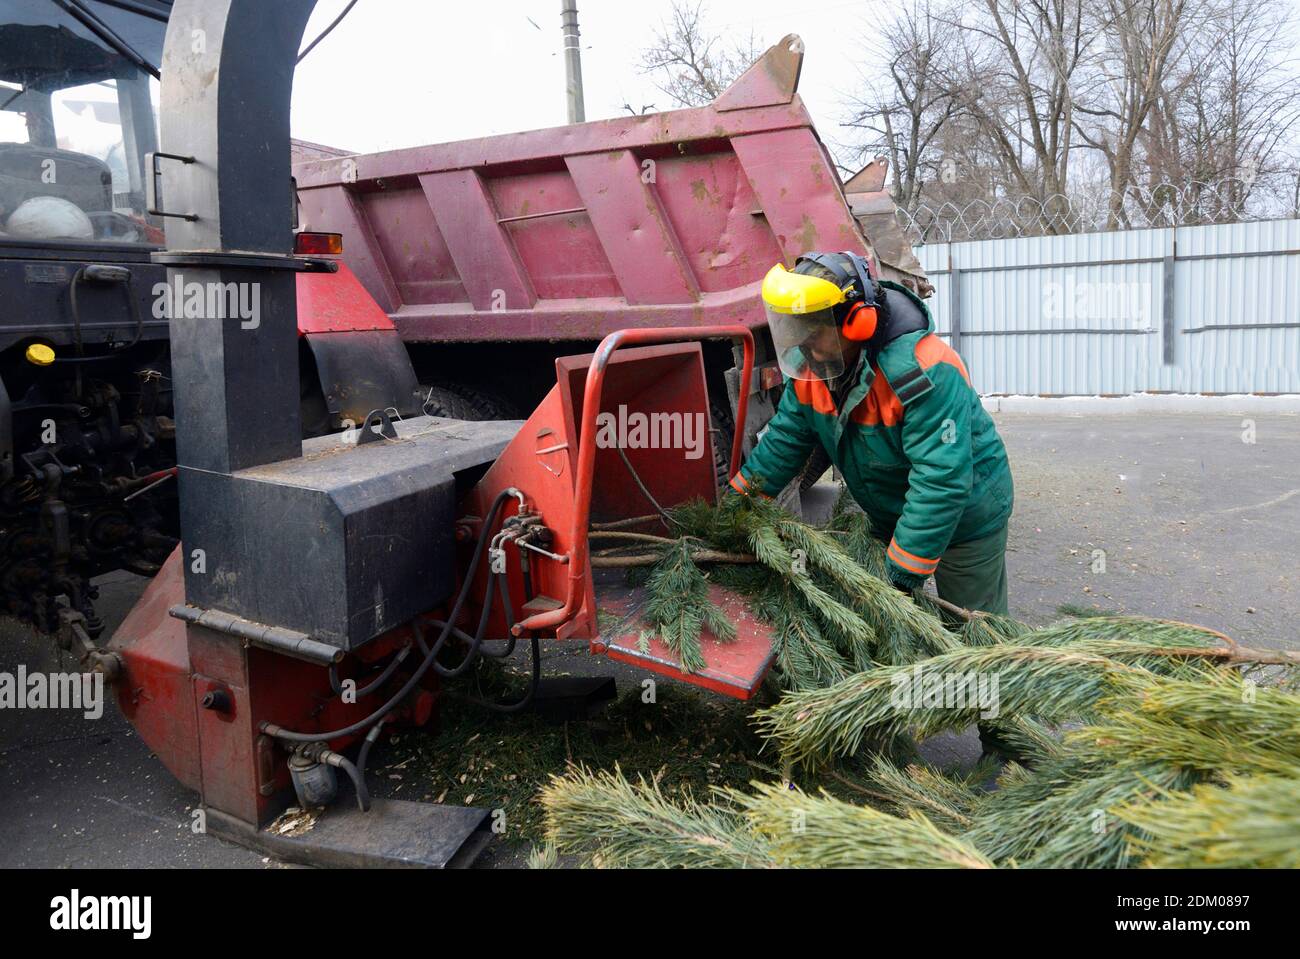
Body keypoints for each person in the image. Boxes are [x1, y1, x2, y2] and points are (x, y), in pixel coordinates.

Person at [730, 251, 1014, 616]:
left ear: (857, 323)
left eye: (815, 335)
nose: (806, 348)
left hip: (970, 516)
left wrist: (902, 573)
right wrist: (736, 507)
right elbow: (783, 444)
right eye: (798, 334)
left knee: (972, 624)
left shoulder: (924, 372)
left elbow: (941, 480)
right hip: (890, 511)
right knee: (886, 620)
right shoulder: (816, 369)